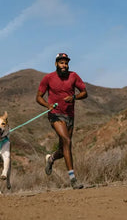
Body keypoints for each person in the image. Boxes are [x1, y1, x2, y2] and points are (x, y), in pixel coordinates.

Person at [36, 53, 88, 189]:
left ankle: (51, 158)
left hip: (70, 115)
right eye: (61, 63)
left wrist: (74, 97)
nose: (64, 65)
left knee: (64, 148)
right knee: (67, 141)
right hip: (55, 115)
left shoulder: (74, 76)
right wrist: (47, 105)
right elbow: (39, 97)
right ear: (56, 64)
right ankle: (73, 179)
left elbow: (84, 92)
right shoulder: (48, 78)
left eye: (66, 63)